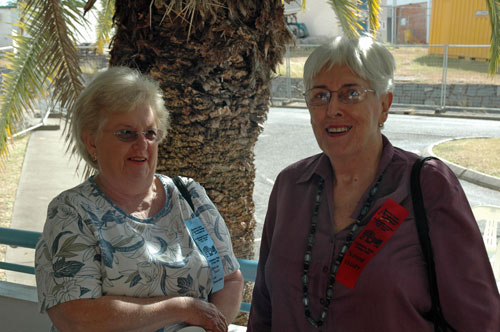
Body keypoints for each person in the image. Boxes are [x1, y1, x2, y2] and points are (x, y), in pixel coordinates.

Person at [247, 36, 500, 331]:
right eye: (320, 95)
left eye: (351, 93)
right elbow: (264, 308)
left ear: (384, 104)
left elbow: (480, 318)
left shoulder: (427, 185)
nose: (332, 110)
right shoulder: (290, 186)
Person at [34, 66, 243, 332]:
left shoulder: (189, 195)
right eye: (126, 133)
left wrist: (208, 327)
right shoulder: (71, 212)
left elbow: (229, 279)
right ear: (92, 142)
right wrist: (181, 308)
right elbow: (76, 316)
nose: (142, 144)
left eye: (150, 133)